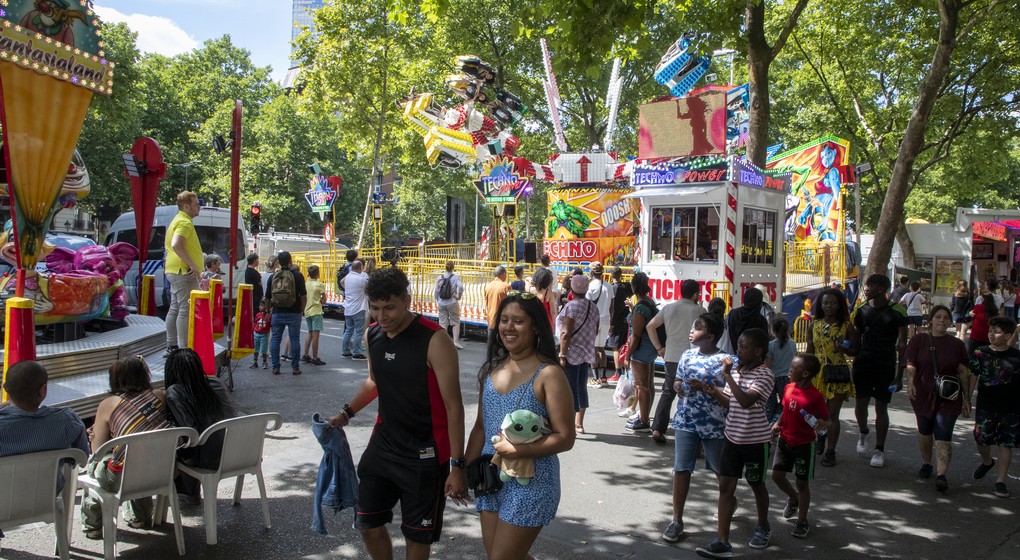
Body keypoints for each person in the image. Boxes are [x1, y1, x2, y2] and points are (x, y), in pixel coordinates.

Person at [327, 266, 467, 560]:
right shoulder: (373, 334)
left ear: (407, 299)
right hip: (384, 447)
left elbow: (454, 407)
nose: (382, 316)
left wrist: (457, 465)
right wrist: (346, 413)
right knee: (367, 522)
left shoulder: (435, 340)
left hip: (425, 454)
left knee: (416, 537)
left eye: (389, 307)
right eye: (375, 308)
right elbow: (374, 382)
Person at [465, 291, 576, 559]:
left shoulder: (549, 373)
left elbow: (565, 437)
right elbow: (481, 426)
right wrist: (461, 470)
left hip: (533, 482)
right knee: (498, 556)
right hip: (491, 478)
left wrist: (518, 451)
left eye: (518, 321)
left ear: (535, 326)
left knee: (502, 558)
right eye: (504, 320)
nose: (508, 327)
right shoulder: (491, 368)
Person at [696, 328, 775, 558]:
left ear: (758, 351)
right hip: (732, 438)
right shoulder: (738, 372)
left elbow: (747, 401)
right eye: (738, 346)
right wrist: (714, 392)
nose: (739, 350)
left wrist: (728, 375)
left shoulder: (765, 375)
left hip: (755, 441)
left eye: (744, 347)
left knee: (756, 484)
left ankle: (762, 525)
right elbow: (731, 403)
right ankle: (722, 541)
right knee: (725, 488)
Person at [82, 356, 171, 540]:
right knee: (140, 456)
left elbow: (97, 449)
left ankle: (93, 526)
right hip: (163, 470)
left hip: (122, 477)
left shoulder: (108, 404)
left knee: (96, 465)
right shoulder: (160, 396)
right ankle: (139, 517)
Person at [660, 313, 728, 543]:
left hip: (715, 425)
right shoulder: (687, 355)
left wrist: (710, 389)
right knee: (681, 469)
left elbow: (731, 396)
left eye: (697, 327)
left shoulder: (726, 361)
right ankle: (676, 520)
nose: (691, 330)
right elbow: (678, 379)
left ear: (709, 336)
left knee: (721, 471)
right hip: (686, 421)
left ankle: (729, 500)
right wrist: (679, 386)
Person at [904, 305, 970, 492]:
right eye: (938, 317)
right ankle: (927, 463)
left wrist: (967, 398)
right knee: (925, 430)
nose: (942, 320)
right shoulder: (918, 340)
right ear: (931, 319)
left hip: (949, 396)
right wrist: (911, 383)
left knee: (943, 433)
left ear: (950, 322)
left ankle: (942, 474)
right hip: (923, 393)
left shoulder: (957, 345)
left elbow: (964, 372)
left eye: (946, 318)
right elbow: (911, 364)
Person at [164, 348, 238, 504]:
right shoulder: (217, 382)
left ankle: (188, 493)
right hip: (237, 453)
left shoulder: (174, 392)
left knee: (173, 447)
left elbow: (191, 435)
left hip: (208, 460)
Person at [849, 273, 908, 468]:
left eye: (869, 286)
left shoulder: (897, 311)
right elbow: (856, 342)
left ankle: (879, 449)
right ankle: (863, 430)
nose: (866, 289)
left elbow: (902, 345)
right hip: (863, 363)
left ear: (881, 289)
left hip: (886, 364)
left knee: (881, 407)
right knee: (861, 404)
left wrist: (900, 376)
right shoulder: (861, 310)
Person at [770, 353, 829, 539]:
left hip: (804, 444)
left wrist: (823, 423)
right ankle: (793, 498)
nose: (789, 370)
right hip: (785, 441)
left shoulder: (815, 396)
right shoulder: (788, 388)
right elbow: (786, 409)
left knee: (802, 482)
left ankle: (802, 521)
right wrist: (778, 423)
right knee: (777, 476)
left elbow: (827, 419)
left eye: (793, 368)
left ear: (805, 374)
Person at [0, 361, 90, 482]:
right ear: (43, 390)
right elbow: (81, 459)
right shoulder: (67, 421)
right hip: (48, 500)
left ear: (5, 388)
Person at [805, 287, 858, 467]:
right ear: (820, 304)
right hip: (817, 374)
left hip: (837, 372)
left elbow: (855, 350)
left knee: (832, 415)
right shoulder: (814, 324)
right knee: (816, 412)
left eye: (833, 303)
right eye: (826, 303)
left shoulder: (846, 326)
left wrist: (843, 348)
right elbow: (809, 351)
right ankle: (821, 436)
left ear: (839, 305)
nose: (829, 306)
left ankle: (830, 451)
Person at [968, 316, 1020, 498]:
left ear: (1008, 336)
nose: (991, 335)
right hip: (986, 406)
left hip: (1011, 408)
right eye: (990, 331)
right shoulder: (980, 353)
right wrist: (966, 399)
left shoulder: (1016, 357)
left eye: (996, 332)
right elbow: (973, 376)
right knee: (981, 439)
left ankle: (1001, 481)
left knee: (1006, 444)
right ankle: (987, 461)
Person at [647, 278, 703, 443]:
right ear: (695, 294)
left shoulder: (668, 308)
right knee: (690, 394)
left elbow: (650, 326)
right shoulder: (699, 311)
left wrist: (659, 347)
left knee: (668, 392)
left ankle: (658, 428)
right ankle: (687, 431)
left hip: (671, 356)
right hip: (692, 357)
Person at [557, 274, 599, 434]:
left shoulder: (571, 307)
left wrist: (562, 354)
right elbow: (595, 329)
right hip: (586, 352)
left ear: (572, 289)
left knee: (570, 388)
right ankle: (579, 423)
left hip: (571, 353)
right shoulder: (592, 307)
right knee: (581, 387)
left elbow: (565, 333)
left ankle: (569, 425)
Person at [164, 191, 203, 356]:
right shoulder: (185, 223)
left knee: (175, 308)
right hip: (183, 272)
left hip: (174, 270)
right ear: (186, 206)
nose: (199, 207)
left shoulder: (177, 219)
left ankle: (172, 345)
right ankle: (183, 348)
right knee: (185, 310)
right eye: (196, 204)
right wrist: (192, 265)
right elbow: (176, 244)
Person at [625, 272, 658, 434]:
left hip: (641, 350)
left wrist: (627, 355)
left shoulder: (640, 307)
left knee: (641, 386)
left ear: (634, 286)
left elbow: (636, 335)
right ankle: (645, 415)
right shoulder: (650, 302)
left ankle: (644, 420)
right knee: (649, 384)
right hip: (651, 348)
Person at [269, 251, 307, 376]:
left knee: (275, 339)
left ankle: (275, 367)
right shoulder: (298, 276)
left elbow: (267, 297)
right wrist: (302, 309)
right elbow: (303, 296)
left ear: (278, 263)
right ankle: (295, 367)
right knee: (295, 339)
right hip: (294, 312)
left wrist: (269, 310)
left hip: (277, 312)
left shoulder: (273, 277)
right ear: (291, 261)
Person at [585, 262, 612, 387]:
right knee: (601, 348)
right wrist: (610, 321)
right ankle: (604, 377)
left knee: (593, 349)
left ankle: (596, 379)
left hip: (593, 320)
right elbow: (612, 307)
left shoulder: (590, 287)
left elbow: (587, 306)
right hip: (606, 319)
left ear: (592, 272)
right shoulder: (608, 286)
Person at [765, 316, 796, 424]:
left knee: (770, 404)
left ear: (773, 330)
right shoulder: (793, 344)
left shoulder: (770, 346)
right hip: (787, 378)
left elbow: (768, 365)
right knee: (785, 403)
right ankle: (781, 423)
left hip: (773, 378)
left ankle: (770, 425)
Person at [606, 266, 633, 383]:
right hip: (625, 319)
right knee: (623, 346)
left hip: (614, 321)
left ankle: (618, 372)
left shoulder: (610, 289)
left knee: (615, 347)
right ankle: (625, 371)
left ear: (611, 276)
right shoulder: (626, 287)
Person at [723, 287, 769, 352]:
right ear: (759, 302)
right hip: (752, 359)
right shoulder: (761, 320)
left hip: (731, 355)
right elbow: (764, 344)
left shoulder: (732, 314)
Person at [341, 260, 369, 360]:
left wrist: (347, 289)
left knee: (348, 330)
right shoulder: (361, 279)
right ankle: (356, 353)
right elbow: (368, 288)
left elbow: (341, 282)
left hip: (348, 307)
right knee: (358, 332)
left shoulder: (348, 277)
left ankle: (345, 351)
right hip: (358, 308)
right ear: (360, 268)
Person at [435, 260, 465, 349]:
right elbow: (461, 287)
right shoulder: (455, 277)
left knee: (443, 323)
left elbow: (436, 291)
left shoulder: (439, 277)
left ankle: (444, 342)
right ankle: (455, 342)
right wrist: (458, 296)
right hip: (452, 302)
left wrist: (438, 299)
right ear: (453, 267)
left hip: (441, 303)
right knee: (455, 322)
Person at [302, 265, 327, 366]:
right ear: (317, 274)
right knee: (316, 336)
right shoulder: (319, 285)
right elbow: (324, 300)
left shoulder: (305, 284)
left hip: (307, 311)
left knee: (310, 333)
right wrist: (320, 300)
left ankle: (305, 354)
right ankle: (315, 357)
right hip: (316, 311)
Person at [485, 265, 511, 332]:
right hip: (502, 320)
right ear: (503, 274)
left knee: (491, 341)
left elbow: (486, 304)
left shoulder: (488, 286)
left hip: (491, 319)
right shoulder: (506, 286)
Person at [251, 297, 271, 369]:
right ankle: (255, 362)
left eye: (262, 305)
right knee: (255, 348)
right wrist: (254, 330)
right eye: (260, 305)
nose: (260, 306)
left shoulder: (269, 316)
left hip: (264, 334)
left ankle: (264, 362)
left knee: (263, 350)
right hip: (256, 333)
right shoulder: (258, 314)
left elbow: (270, 325)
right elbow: (255, 323)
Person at [244, 252, 263, 320]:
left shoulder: (247, 271)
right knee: (256, 313)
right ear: (254, 261)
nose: (258, 262)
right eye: (258, 260)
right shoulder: (254, 272)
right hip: (256, 296)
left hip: (251, 295)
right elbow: (261, 283)